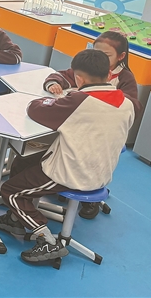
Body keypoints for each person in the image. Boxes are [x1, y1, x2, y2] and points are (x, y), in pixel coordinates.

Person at [0, 49, 135, 263]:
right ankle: (15, 220)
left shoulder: (79, 101)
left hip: (71, 172)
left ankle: (47, 240)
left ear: (79, 78)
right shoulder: (127, 103)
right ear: (108, 74)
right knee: (23, 163)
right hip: (100, 170)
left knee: (11, 191)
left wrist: (56, 99)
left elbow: (36, 110)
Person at [43, 30, 140, 219]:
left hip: (105, 132)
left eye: (106, 55)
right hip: (84, 126)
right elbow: (63, 75)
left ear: (121, 57)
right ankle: (65, 183)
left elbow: (132, 107)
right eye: (96, 52)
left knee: (91, 158)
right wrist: (53, 83)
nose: (99, 58)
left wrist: (101, 103)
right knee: (70, 148)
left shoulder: (125, 78)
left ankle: (91, 198)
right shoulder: (88, 68)